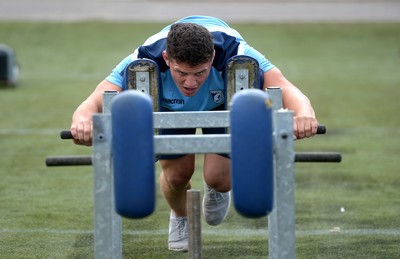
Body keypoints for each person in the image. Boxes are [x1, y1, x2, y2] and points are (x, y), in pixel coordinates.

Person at [70, 15, 319, 252]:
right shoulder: (143, 59)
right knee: (178, 175)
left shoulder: (238, 54)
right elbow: (95, 99)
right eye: (182, 73)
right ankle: (180, 216)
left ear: (212, 57)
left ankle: (218, 189)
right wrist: (82, 122)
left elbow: (285, 87)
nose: (191, 83)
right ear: (167, 58)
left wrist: (304, 113)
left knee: (219, 178)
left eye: (200, 72)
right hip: (169, 105)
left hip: (225, 101)